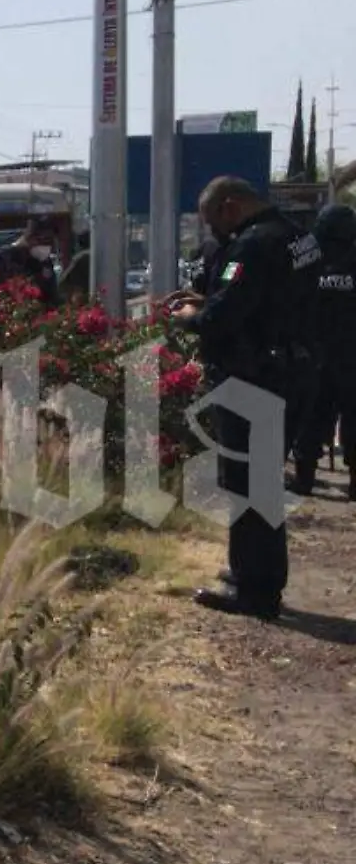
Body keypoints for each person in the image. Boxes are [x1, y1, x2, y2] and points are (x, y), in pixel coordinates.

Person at [166, 176, 312, 619]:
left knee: (251, 484)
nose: (215, 232)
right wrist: (213, 298)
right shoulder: (298, 237)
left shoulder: (252, 245)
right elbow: (271, 301)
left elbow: (223, 319)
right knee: (262, 481)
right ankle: (252, 572)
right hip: (294, 368)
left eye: (213, 221)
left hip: (256, 377)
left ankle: (256, 591)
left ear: (231, 206)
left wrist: (194, 314)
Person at [293, 204, 356, 499]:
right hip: (350, 357)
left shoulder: (307, 261)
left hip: (314, 355)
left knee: (311, 416)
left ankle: (304, 477)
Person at [0, 222, 61, 305]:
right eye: (41, 240)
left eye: (49, 242)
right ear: (29, 238)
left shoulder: (45, 262)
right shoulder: (4, 259)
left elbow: (52, 293)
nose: (46, 246)